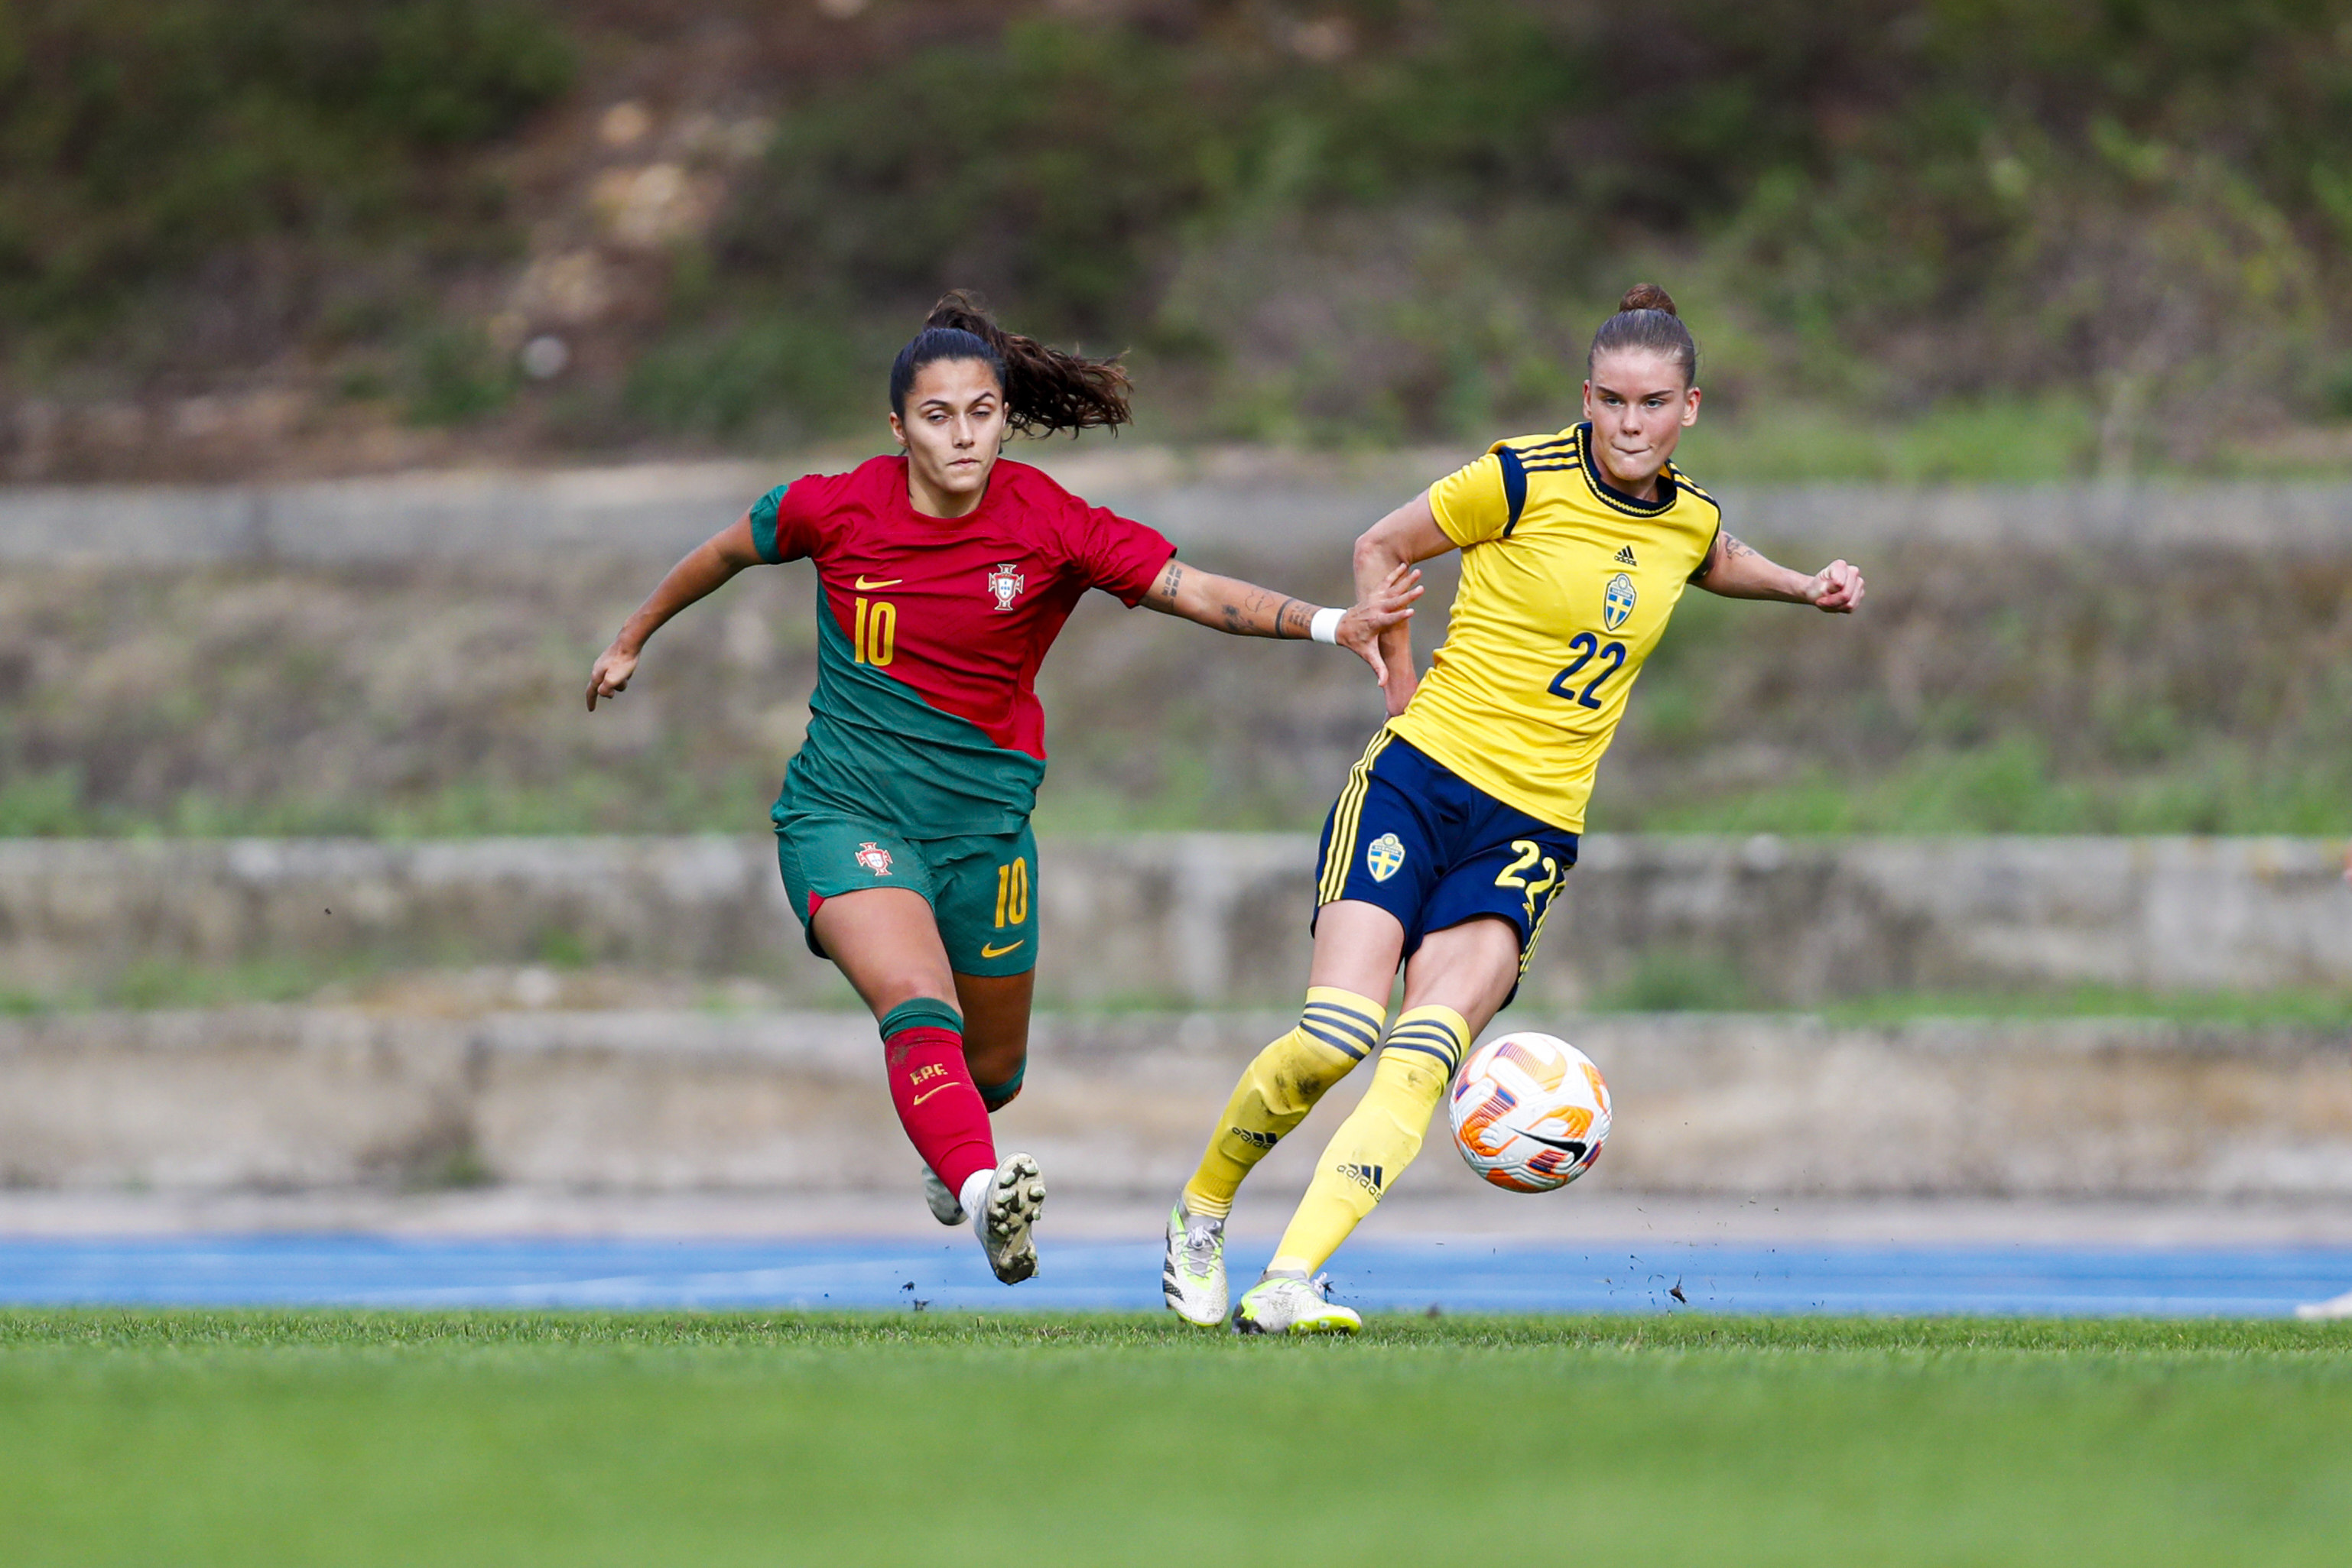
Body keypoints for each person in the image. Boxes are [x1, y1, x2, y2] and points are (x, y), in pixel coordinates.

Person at [588, 293, 1419, 1285]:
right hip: (846, 812)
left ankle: (957, 1153)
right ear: (898, 429)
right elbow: (725, 550)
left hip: (985, 835)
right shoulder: (836, 506)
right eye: (937, 417)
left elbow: (1190, 590)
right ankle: (986, 1198)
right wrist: (633, 636)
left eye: (981, 412)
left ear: (1003, 413)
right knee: (914, 997)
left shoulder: (1048, 522)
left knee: (994, 1075)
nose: (963, 436)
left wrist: (1334, 624)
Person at [1161, 284, 1868, 1333]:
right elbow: (1379, 548)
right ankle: (1201, 1213)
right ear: (1586, 398)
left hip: (1532, 829)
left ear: (1691, 410)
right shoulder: (1514, 477)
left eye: (1655, 404)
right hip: (1417, 784)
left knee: (1422, 1053)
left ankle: (1292, 1279)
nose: (1632, 423)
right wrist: (1396, 678)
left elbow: (1712, 557)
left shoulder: (1690, 517)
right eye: (1615, 401)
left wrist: (1804, 584)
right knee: (1335, 1036)